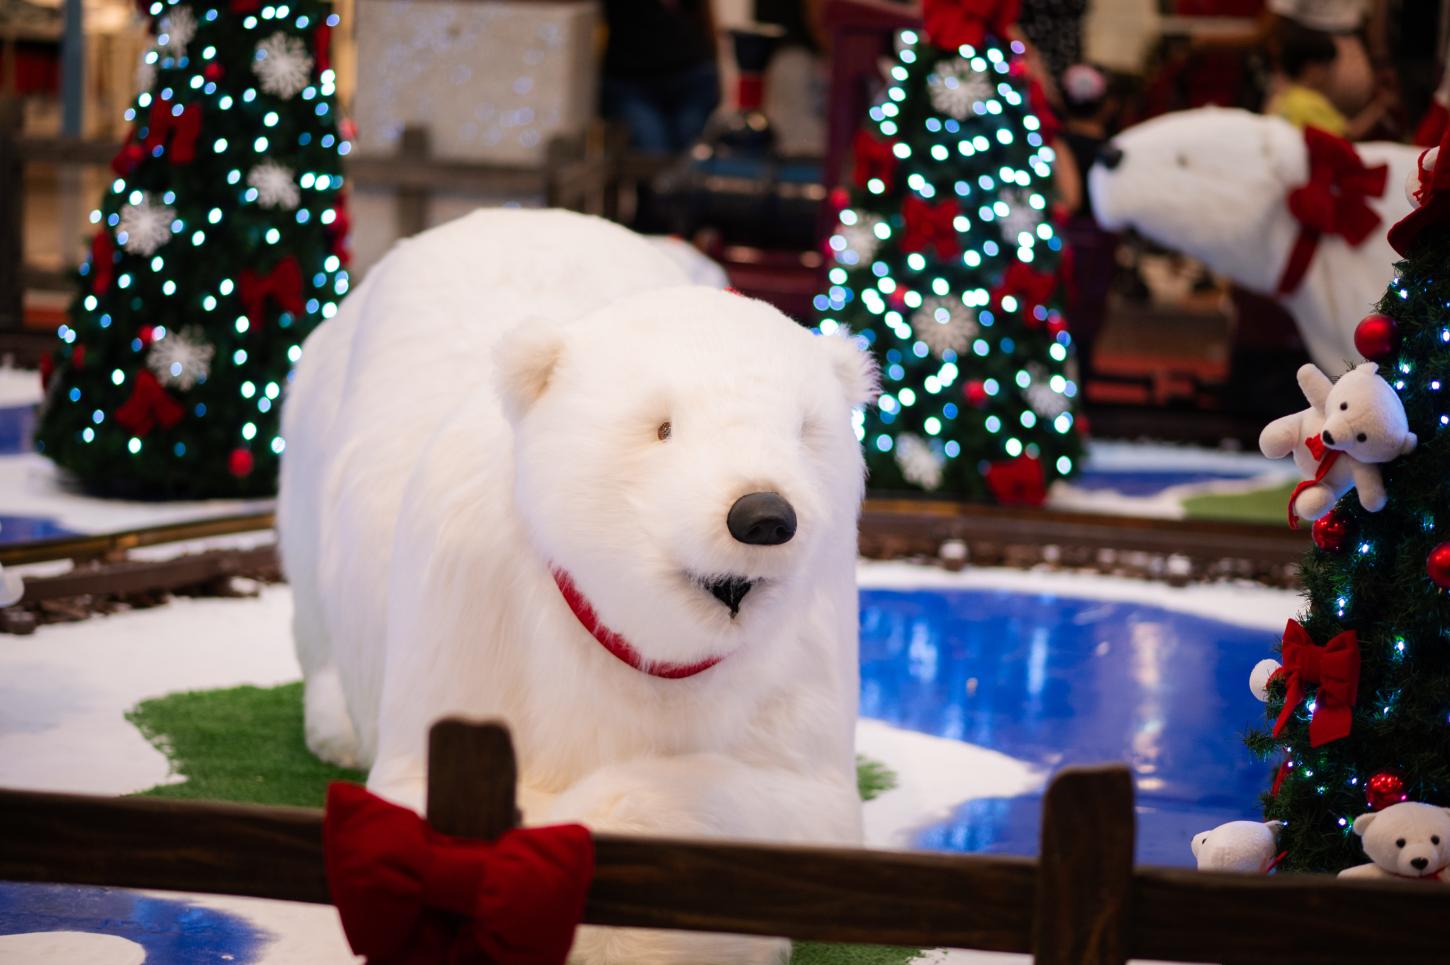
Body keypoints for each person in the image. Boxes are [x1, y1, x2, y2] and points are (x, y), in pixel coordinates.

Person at [600, 0, 721, 154]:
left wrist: (715, 69)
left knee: (690, 156)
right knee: (653, 154)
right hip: (630, 81)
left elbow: (704, 14)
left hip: (691, 75)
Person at [1266, 21, 1391, 138]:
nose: (1331, 73)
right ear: (1311, 68)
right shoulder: (1310, 102)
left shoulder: (1279, 97)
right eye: (1327, 66)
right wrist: (1379, 108)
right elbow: (1347, 134)